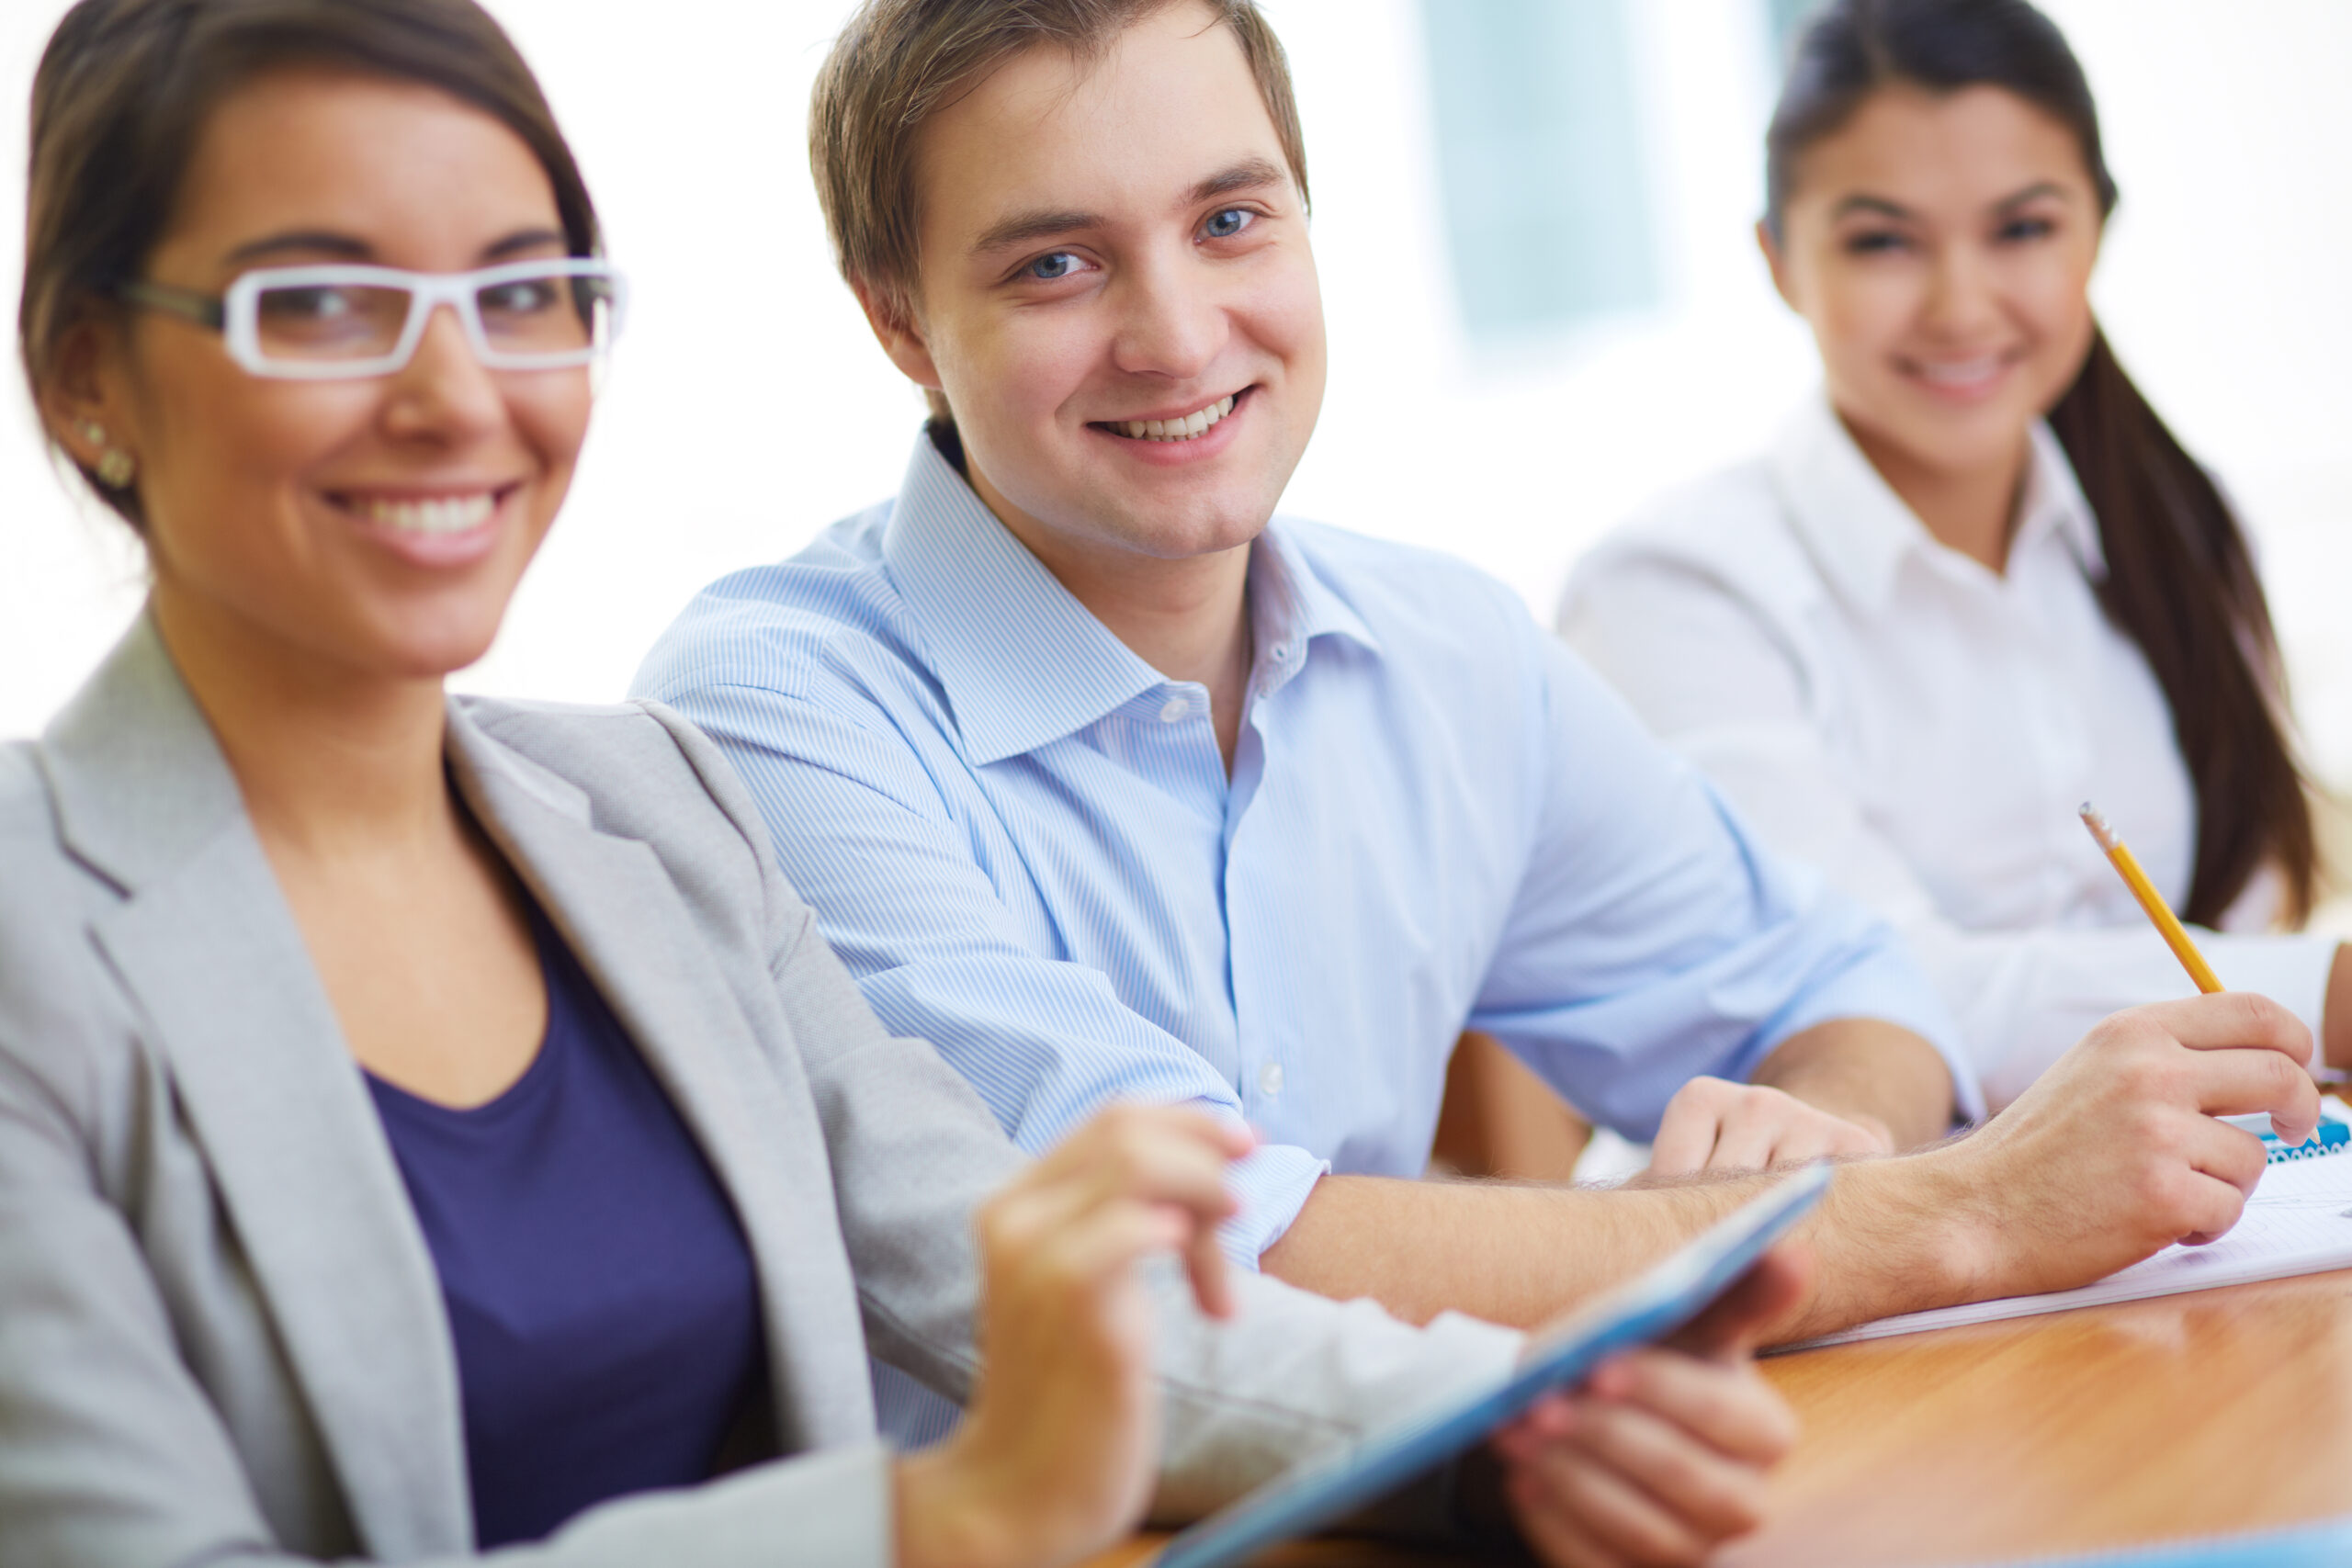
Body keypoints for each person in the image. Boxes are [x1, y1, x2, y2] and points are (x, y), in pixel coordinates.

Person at [0, 3, 1814, 1565]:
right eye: (321, 305)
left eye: (521, 290)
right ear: (86, 376)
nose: (455, 392)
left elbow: (1045, 1305)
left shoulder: (652, 820)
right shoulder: (37, 944)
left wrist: (1515, 1421)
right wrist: (932, 1519)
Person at [633, 0, 2321, 1450]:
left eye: (1232, 221)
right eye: (1058, 261)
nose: (1176, 333)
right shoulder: (777, 710)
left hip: (1449, 1500)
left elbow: (1845, 987)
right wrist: (1933, 1213)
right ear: (899, 317)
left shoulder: (1442, 651)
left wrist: (1830, 1134)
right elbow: (1204, 1270)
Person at [1559, 0, 2346, 1111]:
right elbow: (1865, 990)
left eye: (2021, 229)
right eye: (1882, 241)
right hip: (1844, 1235)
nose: (1960, 305)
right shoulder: (1671, 587)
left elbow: (2240, 911)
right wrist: (2320, 994)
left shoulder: (2183, 523)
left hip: (2199, 1209)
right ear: (1780, 261)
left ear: (2096, 232)